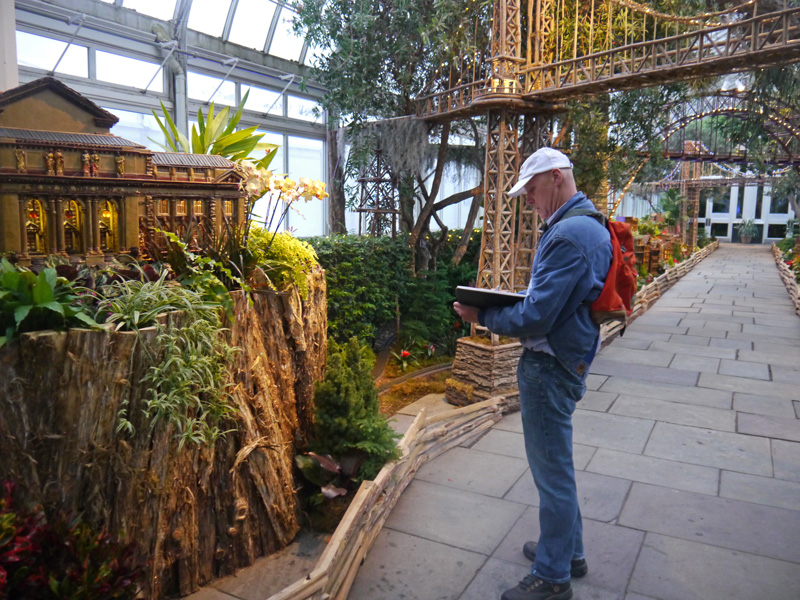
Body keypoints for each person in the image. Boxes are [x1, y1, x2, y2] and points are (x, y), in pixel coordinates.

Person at [453, 147, 611, 600]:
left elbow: (537, 317)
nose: (528, 201)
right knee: (557, 467)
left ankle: (552, 577)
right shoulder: (586, 226)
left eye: (532, 190)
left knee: (552, 475)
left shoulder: (568, 235)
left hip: (549, 365)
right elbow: (553, 301)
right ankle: (568, 553)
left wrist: (483, 317)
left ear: (557, 177)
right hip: (565, 357)